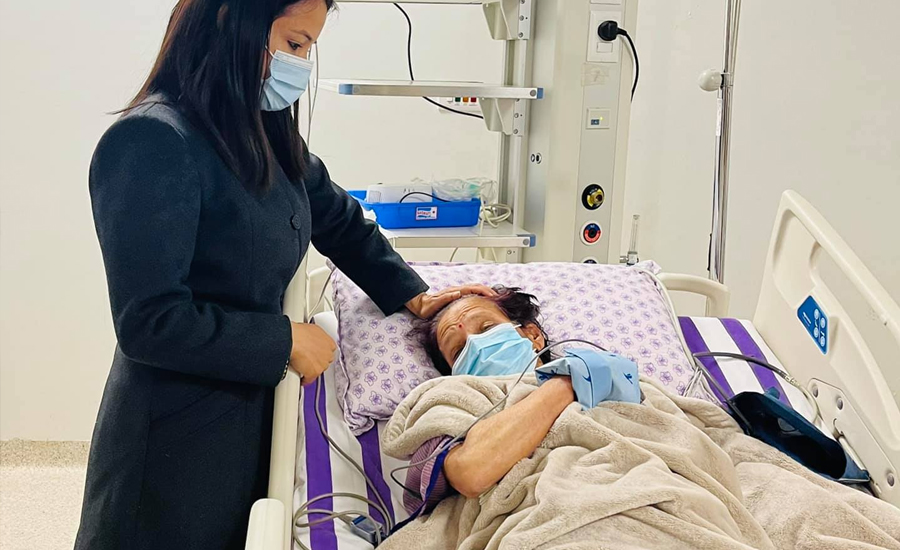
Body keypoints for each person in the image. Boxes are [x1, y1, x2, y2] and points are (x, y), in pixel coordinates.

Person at [74, 1, 491, 548]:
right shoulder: (152, 140)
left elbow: (337, 218)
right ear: (233, 23)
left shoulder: (260, 127)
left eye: (308, 49)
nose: (300, 65)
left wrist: (414, 295)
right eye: (294, 44)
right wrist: (285, 340)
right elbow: (149, 322)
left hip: (249, 410)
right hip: (172, 433)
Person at [404, 286, 577, 514]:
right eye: (459, 351)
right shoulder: (448, 405)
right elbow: (471, 472)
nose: (476, 346)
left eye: (487, 328)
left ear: (533, 336)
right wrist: (564, 386)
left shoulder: (601, 371)